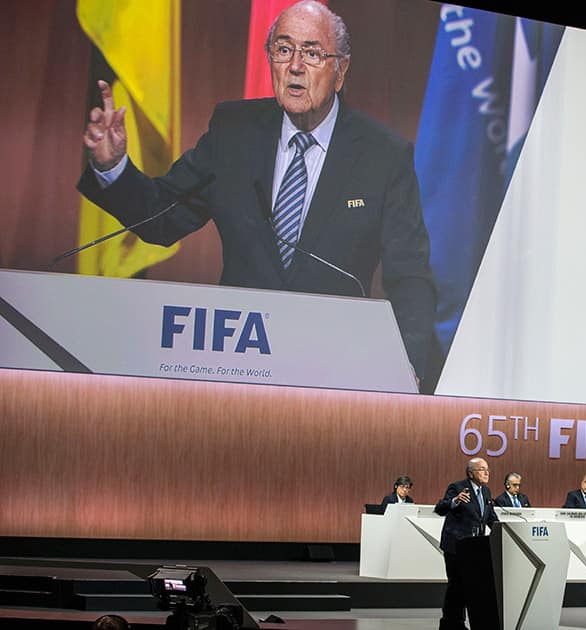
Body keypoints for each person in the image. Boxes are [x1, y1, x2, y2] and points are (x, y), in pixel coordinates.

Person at [78, 0, 436, 382]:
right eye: (283, 50)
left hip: (333, 370)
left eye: (312, 53)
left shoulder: (383, 156)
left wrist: (406, 365)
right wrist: (112, 166)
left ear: (340, 70)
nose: (295, 66)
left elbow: (410, 277)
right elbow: (161, 217)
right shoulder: (234, 132)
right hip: (237, 364)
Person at [434, 457, 498, 630]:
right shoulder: (457, 487)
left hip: (476, 548)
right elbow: (440, 508)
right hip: (456, 546)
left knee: (470, 585)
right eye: (482, 469)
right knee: (456, 584)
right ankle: (451, 622)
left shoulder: (486, 492)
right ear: (471, 473)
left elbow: (490, 517)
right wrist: (455, 501)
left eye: (487, 469)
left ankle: (460, 622)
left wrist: (502, 531)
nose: (486, 472)